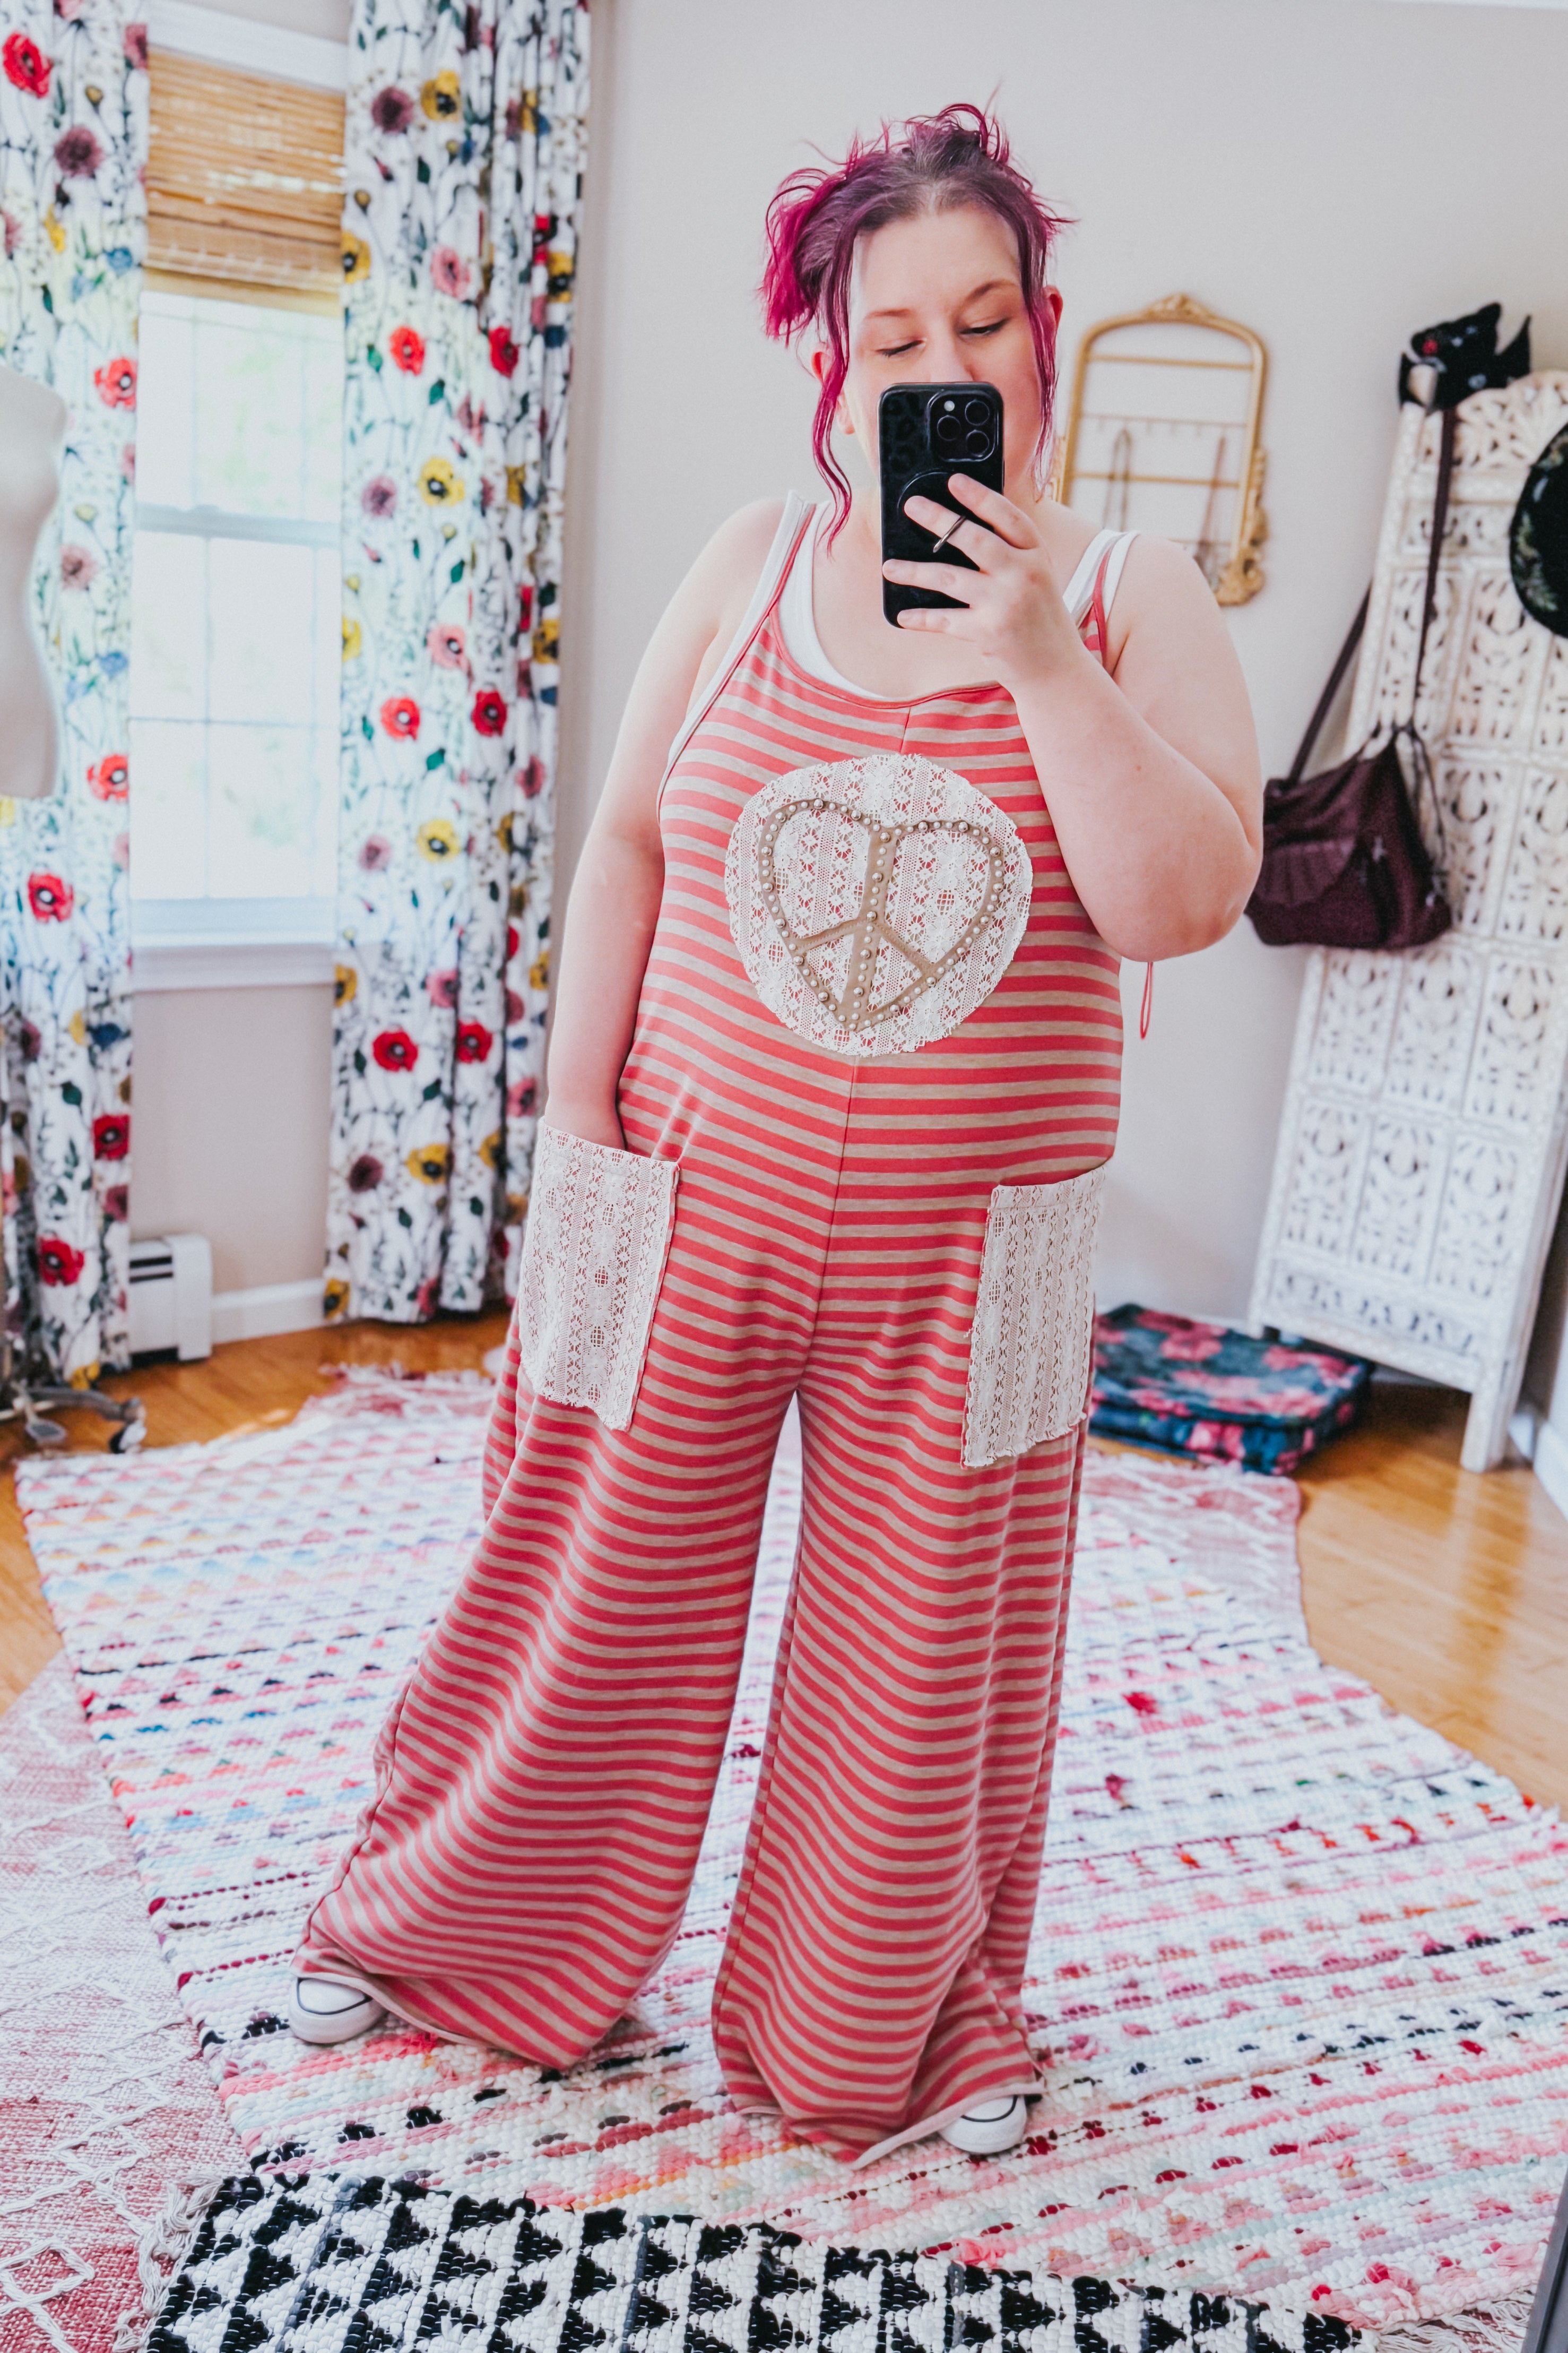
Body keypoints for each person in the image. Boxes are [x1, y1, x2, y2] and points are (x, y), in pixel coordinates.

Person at [289, 104, 1261, 2168]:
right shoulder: (749, 564)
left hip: (971, 1261)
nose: (939, 366)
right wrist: (567, 1136)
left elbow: (1182, 893)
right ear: (839, 362)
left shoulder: (1122, 589)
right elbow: (630, 842)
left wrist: (1020, 648)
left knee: (925, 1650)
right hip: (674, 1191)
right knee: (581, 1584)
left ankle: (884, 2027)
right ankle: (455, 1928)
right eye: (892, 330)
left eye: (980, 321)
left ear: (1040, 336)